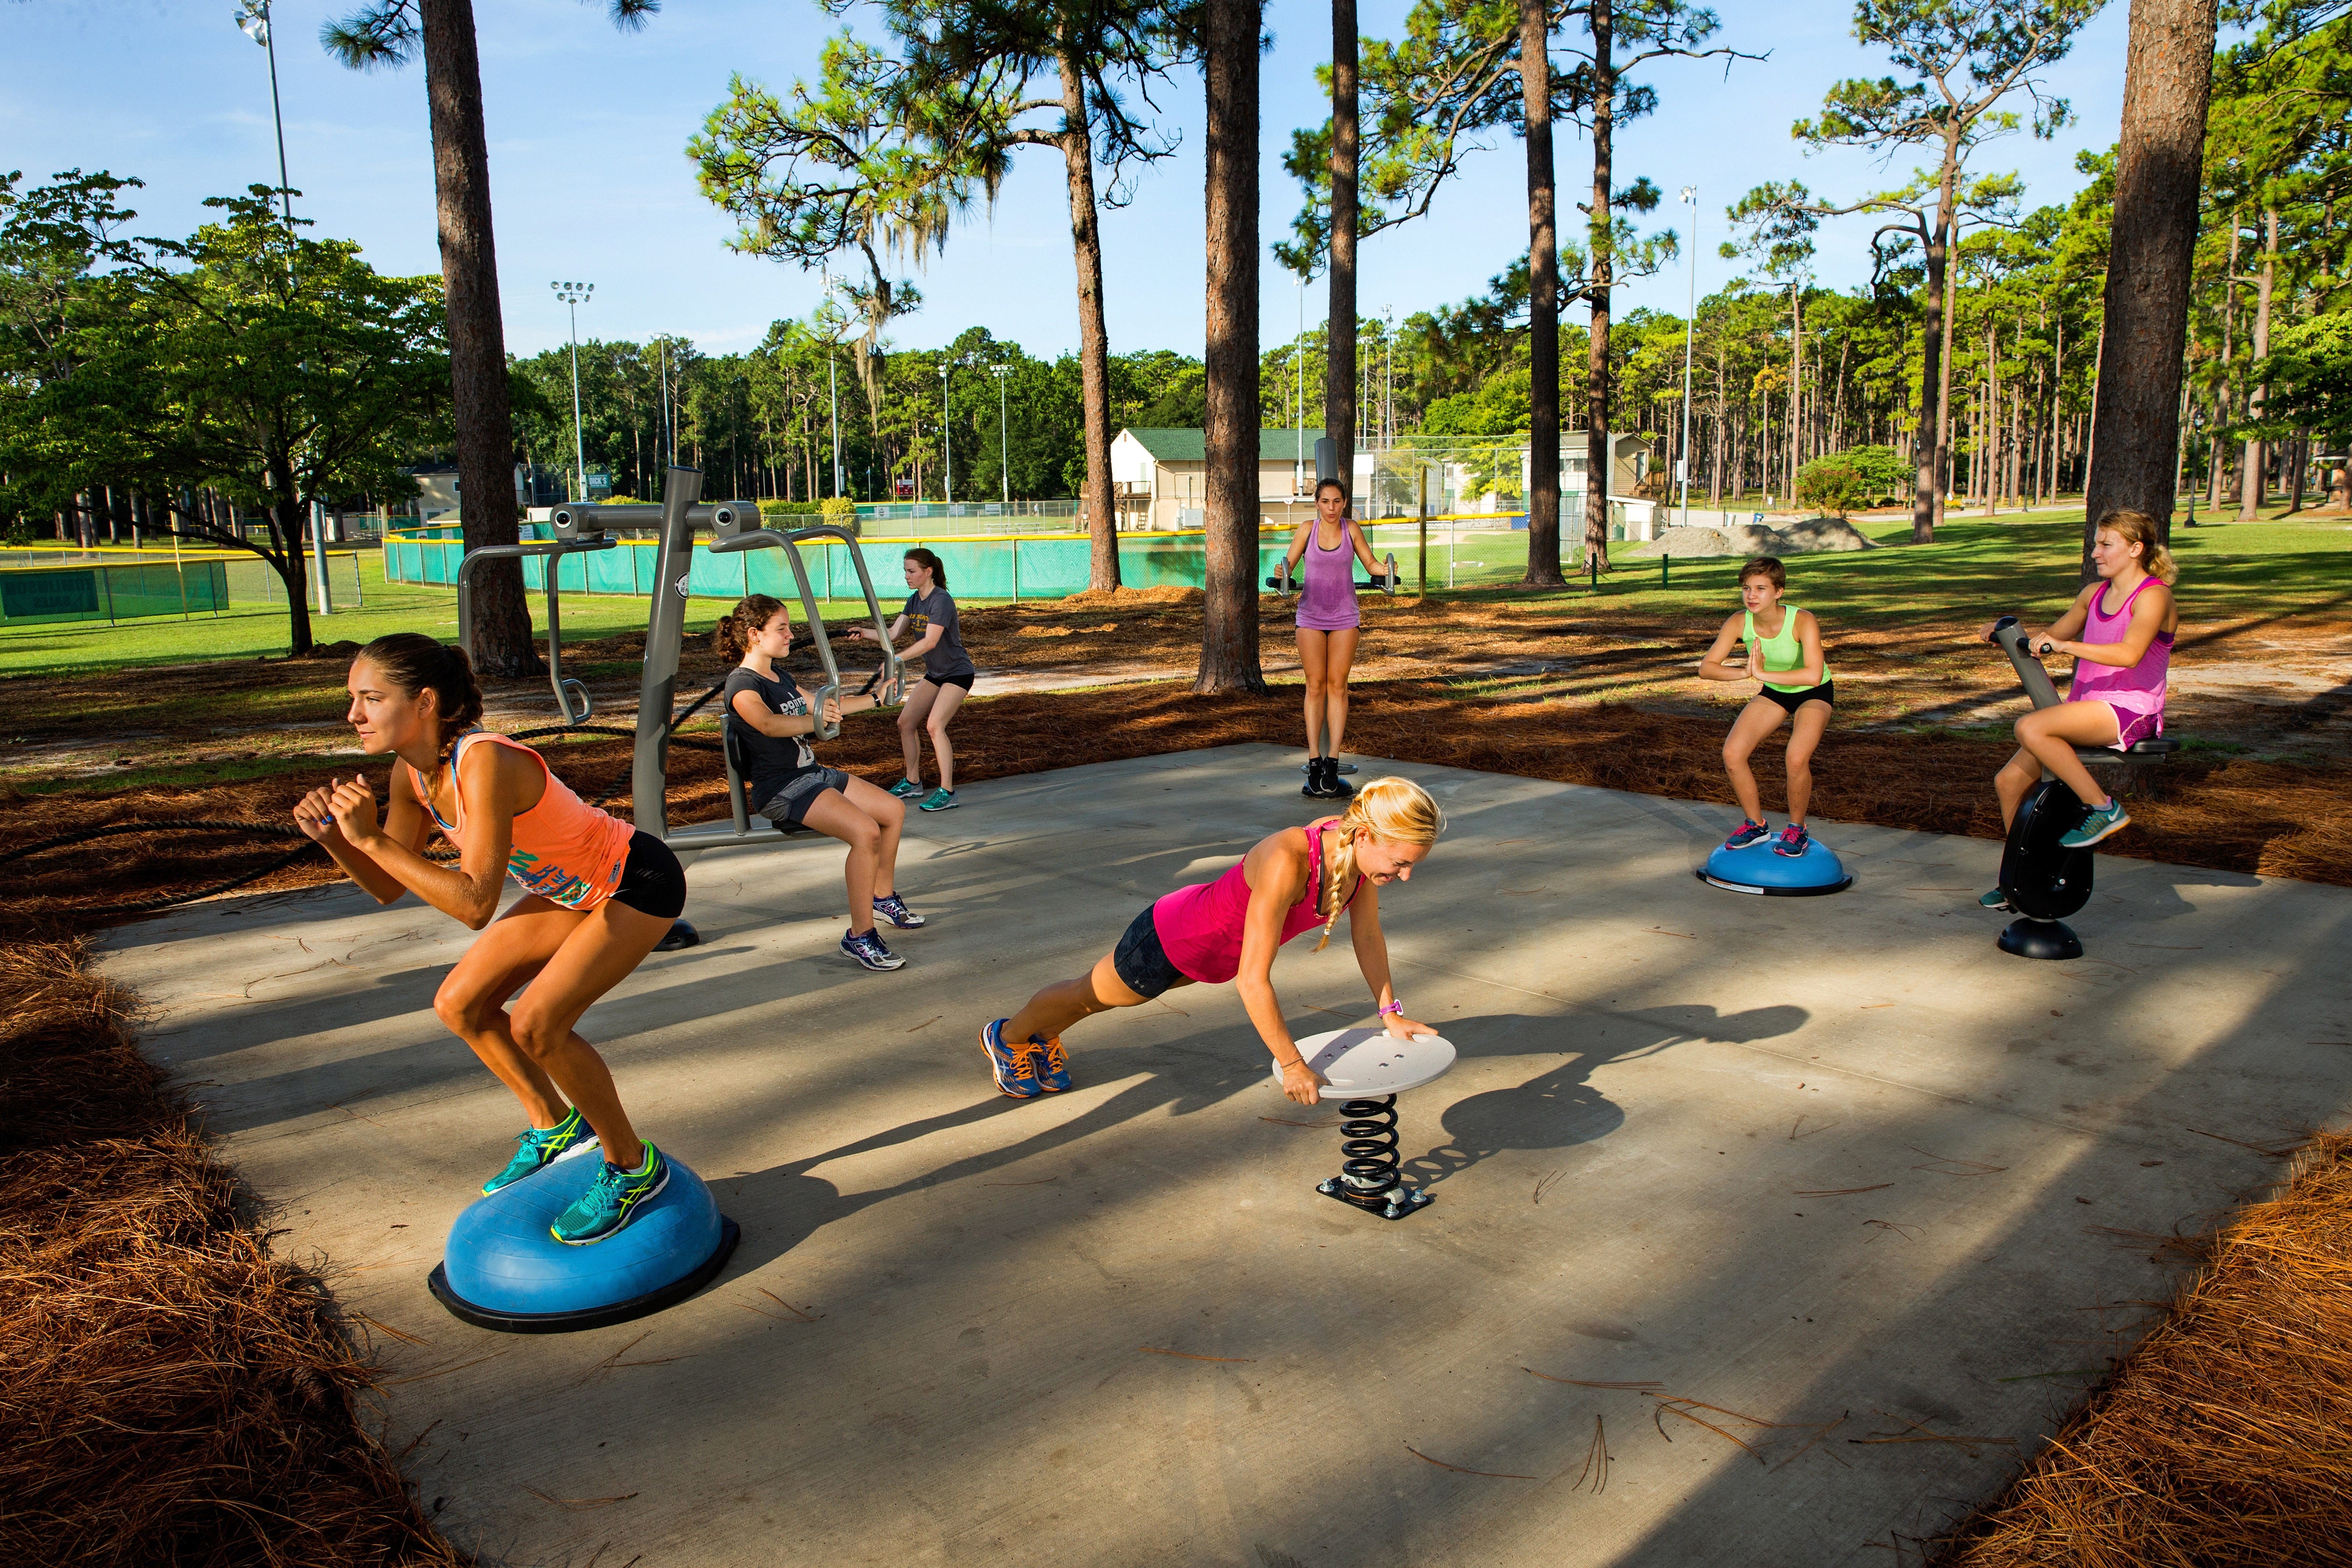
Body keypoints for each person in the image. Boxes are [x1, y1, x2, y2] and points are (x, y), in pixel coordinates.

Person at [291, 633, 682, 1245]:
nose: (354, 715)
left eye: (371, 698)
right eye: (353, 699)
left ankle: (634, 1167)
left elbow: (475, 904)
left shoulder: (483, 762)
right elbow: (389, 885)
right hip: (572, 892)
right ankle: (554, 1126)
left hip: (636, 881)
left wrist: (369, 840)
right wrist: (337, 839)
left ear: (424, 703)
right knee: (460, 1004)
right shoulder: (411, 772)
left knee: (536, 1024)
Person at [978, 777, 1445, 1103]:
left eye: (1411, 867)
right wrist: (1292, 1063)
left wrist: (1391, 1014)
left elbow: (1367, 935)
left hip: (1213, 956)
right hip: (1171, 938)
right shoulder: (1290, 861)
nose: (1403, 876)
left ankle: (1041, 1036)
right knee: (1089, 998)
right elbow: (1253, 982)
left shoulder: (1354, 857)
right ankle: (1009, 1037)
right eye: (1400, 863)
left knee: (1092, 1000)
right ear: (1365, 834)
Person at [1979, 510, 2179, 903]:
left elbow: (2129, 653)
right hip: (2089, 708)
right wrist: (2002, 634)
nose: (2096, 553)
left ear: (2136, 549)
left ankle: (2103, 808)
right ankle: (2024, 878)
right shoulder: (2094, 594)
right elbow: (2052, 636)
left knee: (2032, 727)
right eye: (2096, 544)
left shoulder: (2154, 595)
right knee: (2009, 782)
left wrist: (2066, 647)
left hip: (2131, 712)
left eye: (2107, 545)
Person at [717, 594, 924, 972]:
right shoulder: (742, 685)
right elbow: (767, 724)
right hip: (782, 788)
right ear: (754, 635)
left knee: (892, 810)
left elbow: (824, 707)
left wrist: (875, 700)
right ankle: (859, 937)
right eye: (781, 629)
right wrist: (816, 723)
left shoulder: (779, 677)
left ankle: (881, 896)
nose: (789, 635)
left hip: (810, 774)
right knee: (866, 833)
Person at [1698, 557, 1834, 858]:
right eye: (1746, 588)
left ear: (1779, 592)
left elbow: (1813, 674)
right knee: (1733, 754)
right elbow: (1707, 668)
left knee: (1796, 758)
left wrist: (1761, 674)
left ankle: (1797, 830)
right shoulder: (1738, 622)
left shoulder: (1803, 620)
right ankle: (1756, 826)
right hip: (1774, 692)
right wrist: (1745, 673)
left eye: (1761, 588)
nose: (1751, 596)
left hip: (1814, 693)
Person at [1281, 477, 1387, 800]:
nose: (1331, 508)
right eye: (1325, 502)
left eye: (1337, 502)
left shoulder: (1351, 529)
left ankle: (1332, 762)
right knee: (1315, 686)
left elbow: (1370, 563)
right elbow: (1288, 564)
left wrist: (1387, 570)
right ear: (1317, 503)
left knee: (1338, 686)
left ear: (1344, 503)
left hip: (1344, 617)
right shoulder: (1306, 530)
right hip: (1311, 617)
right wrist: (1281, 571)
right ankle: (1314, 760)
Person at [849, 547, 972, 813]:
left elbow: (930, 642)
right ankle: (913, 782)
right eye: (905, 571)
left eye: (911, 571)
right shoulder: (914, 600)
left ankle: (948, 792)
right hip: (937, 674)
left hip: (958, 673)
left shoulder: (941, 600)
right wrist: (864, 632)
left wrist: (895, 661)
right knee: (905, 723)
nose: (907, 576)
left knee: (935, 726)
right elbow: (893, 634)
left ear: (928, 572)